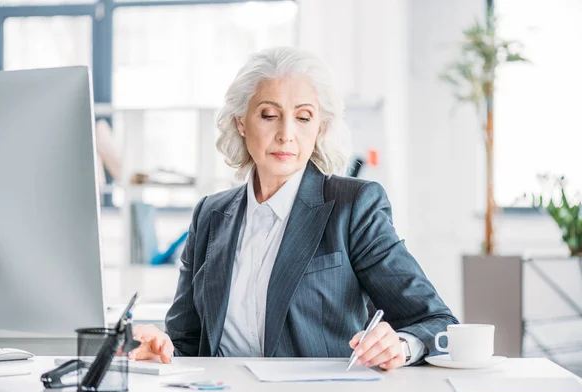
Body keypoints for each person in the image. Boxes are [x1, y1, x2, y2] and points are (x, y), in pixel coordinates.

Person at [131, 46, 458, 369]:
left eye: (303, 117)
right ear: (241, 122)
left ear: (320, 128)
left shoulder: (354, 206)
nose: (286, 134)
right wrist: (161, 349)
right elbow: (186, 342)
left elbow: (436, 320)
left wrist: (400, 346)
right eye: (269, 115)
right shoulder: (210, 215)